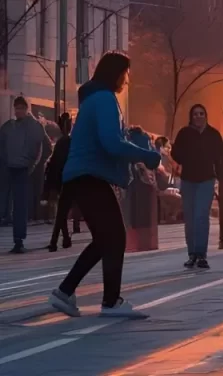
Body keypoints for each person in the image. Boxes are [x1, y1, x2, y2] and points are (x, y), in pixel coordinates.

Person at [48, 52, 161, 319]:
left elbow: (108, 139)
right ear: (116, 73)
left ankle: (65, 292)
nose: (127, 80)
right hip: (90, 176)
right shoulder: (104, 100)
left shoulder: (93, 99)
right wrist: (145, 154)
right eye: (125, 73)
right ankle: (111, 302)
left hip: (82, 176)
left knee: (104, 239)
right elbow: (111, 142)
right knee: (115, 236)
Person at [171, 104, 223, 269]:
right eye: (195, 114)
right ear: (191, 117)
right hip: (188, 180)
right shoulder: (184, 134)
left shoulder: (213, 135)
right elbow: (175, 153)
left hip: (206, 180)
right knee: (190, 218)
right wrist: (185, 157)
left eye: (201, 113)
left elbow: (220, 157)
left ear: (206, 115)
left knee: (201, 216)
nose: (198, 117)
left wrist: (221, 178)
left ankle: (201, 254)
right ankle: (192, 253)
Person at [0, 96, 49, 253]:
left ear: (26, 109)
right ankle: (16, 237)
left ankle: (18, 240)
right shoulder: (8, 127)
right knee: (7, 202)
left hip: (22, 170)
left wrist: (33, 165)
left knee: (20, 205)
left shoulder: (34, 127)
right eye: (16, 108)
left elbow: (45, 147)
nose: (18, 111)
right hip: (9, 168)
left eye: (21, 108)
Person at [46, 113, 74, 251]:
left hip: (62, 179)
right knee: (62, 212)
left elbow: (55, 164)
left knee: (61, 212)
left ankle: (56, 241)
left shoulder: (62, 143)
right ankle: (63, 239)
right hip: (70, 178)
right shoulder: (70, 142)